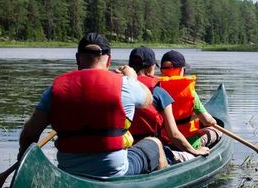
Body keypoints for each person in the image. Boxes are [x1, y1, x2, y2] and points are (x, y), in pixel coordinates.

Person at [18, 33, 168, 178]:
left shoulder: (54, 91)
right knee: (154, 142)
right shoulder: (125, 84)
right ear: (109, 60)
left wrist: (22, 161)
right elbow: (147, 99)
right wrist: (132, 78)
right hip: (114, 170)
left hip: (69, 172)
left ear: (77, 59)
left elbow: (29, 134)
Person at [128, 46, 210, 162]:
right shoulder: (159, 92)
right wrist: (195, 152)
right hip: (153, 152)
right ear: (151, 67)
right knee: (214, 134)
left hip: (128, 148)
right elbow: (174, 135)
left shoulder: (120, 89)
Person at [158, 50, 222, 149]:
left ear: (162, 70)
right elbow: (206, 120)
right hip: (190, 143)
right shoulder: (189, 92)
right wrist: (213, 122)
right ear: (181, 70)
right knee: (217, 131)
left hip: (163, 143)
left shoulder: (155, 89)